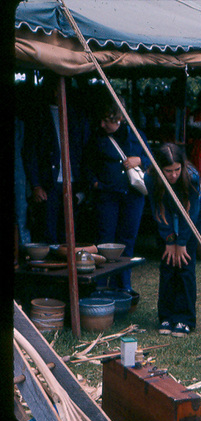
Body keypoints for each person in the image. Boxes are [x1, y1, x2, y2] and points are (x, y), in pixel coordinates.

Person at [84, 90, 150, 295]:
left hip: (132, 196)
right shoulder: (97, 137)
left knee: (127, 240)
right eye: (102, 120)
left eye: (107, 121)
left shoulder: (135, 135)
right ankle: (102, 284)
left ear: (119, 118)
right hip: (107, 196)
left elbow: (152, 159)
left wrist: (140, 160)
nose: (103, 125)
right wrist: (95, 184)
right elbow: (86, 163)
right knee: (105, 241)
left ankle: (123, 285)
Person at [145, 143, 201, 337]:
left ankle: (185, 319)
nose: (173, 175)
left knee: (185, 268)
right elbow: (158, 210)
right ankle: (166, 316)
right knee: (168, 266)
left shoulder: (192, 178)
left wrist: (182, 242)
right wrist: (169, 240)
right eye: (168, 171)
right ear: (160, 168)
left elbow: (192, 213)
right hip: (167, 221)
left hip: (189, 221)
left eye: (177, 169)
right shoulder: (151, 178)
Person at [22, 77, 90, 244]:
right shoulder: (39, 117)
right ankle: (53, 267)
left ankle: (69, 267)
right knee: (49, 232)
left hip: (74, 183)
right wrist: (36, 185)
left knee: (71, 231)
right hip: (49, 184)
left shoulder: (77, 116)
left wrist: (85, 186)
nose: (60, 93)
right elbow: (30, 154)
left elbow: (86, 151)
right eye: (57, 90)